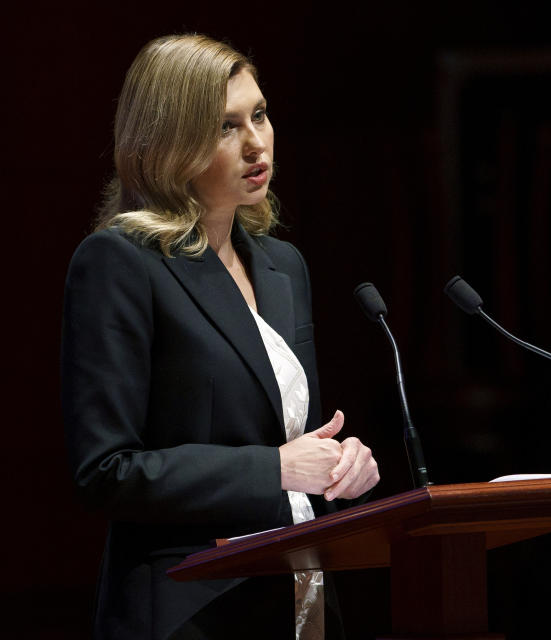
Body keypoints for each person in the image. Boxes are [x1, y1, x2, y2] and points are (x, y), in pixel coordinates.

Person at [60, 34, 380, 640]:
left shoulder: (283, 265)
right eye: (225, 127)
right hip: (191, 608)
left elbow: (292, 439)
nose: (256, 143)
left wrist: (341, 468)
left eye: (258, 114)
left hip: (301, 595)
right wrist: (276, 470)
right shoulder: (121, 263)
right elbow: (105, 471)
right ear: (169, 143)